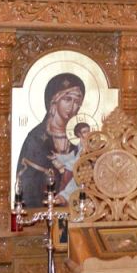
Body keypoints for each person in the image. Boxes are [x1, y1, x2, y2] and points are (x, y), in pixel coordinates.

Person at [16, 73, 86, 207]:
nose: (72, 106)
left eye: (77, 102)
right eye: (67, 99)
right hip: (41, 209)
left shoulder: (80, 138)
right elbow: (28, 182)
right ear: (55, 100)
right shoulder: (36, 138)